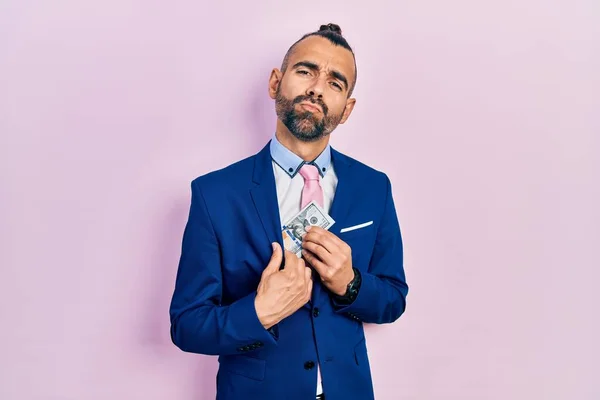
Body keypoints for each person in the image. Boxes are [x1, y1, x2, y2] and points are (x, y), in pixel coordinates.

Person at [169, 23, 409, 400]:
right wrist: (258, 311)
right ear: (275, 83)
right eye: (305, 71)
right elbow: (186, 324)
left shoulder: (374, 187)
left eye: (335, 82)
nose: (317, 87)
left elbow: (394, 298)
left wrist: (352, 283)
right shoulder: (214, 194)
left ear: (346, 110)